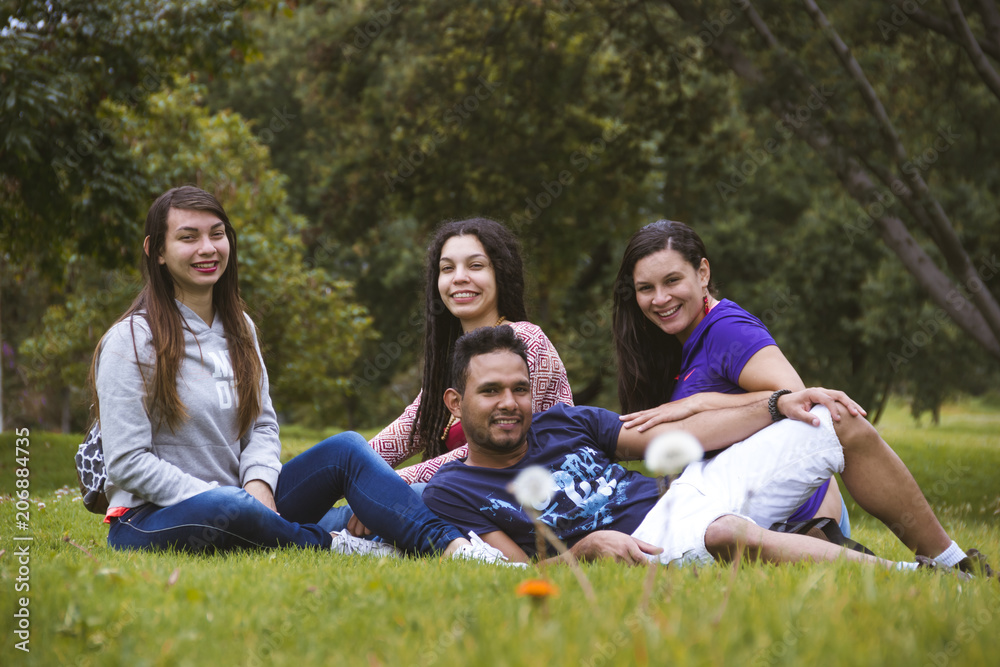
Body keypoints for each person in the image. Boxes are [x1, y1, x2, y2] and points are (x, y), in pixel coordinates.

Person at [90, 185, 507, 562]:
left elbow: (262, 425)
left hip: (250, 504)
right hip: (154, 517)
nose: (207, 248)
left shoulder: (240, 329)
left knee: (358, 457)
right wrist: (232, 498)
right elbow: (127, 462)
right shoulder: (132, 341)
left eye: (217, 234)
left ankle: (454, 549)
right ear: (157, 251)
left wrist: (258, 485)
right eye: (188, 237)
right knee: (230, 508)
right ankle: (333, 542)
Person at [422, 326, 993, 577]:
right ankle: (914, 577)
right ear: (455, 402)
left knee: (833, 419)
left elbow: (681, 442)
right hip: (651, 545)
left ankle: (952, 562)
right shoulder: (453, 491)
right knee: (725, 534)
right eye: (490, 391)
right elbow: (517, 574)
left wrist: (778, 404)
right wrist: (588, 548)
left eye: (520, 389)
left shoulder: (564, 423)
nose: (510, 403)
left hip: (689, 491)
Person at [324, 217, 573, 534]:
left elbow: (494, 454)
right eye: (447, 268)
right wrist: (340, 472)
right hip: (465, 497)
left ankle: (284, 527)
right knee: (345, 477)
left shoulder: (525, 341)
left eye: (476, 266)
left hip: (530, 499)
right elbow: (403, 433)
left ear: (501, 273)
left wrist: (387, 487)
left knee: (397, 502)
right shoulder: (454, 363)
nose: (459, 278)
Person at [612, 220, 847, 535]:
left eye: (672, 280)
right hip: (739, 518)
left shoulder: (727, 330)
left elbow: (797, 399)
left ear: (702, 273)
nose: (660, 298)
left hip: (803, 524)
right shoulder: (671, 342)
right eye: (646, 288)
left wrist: (700, 403)